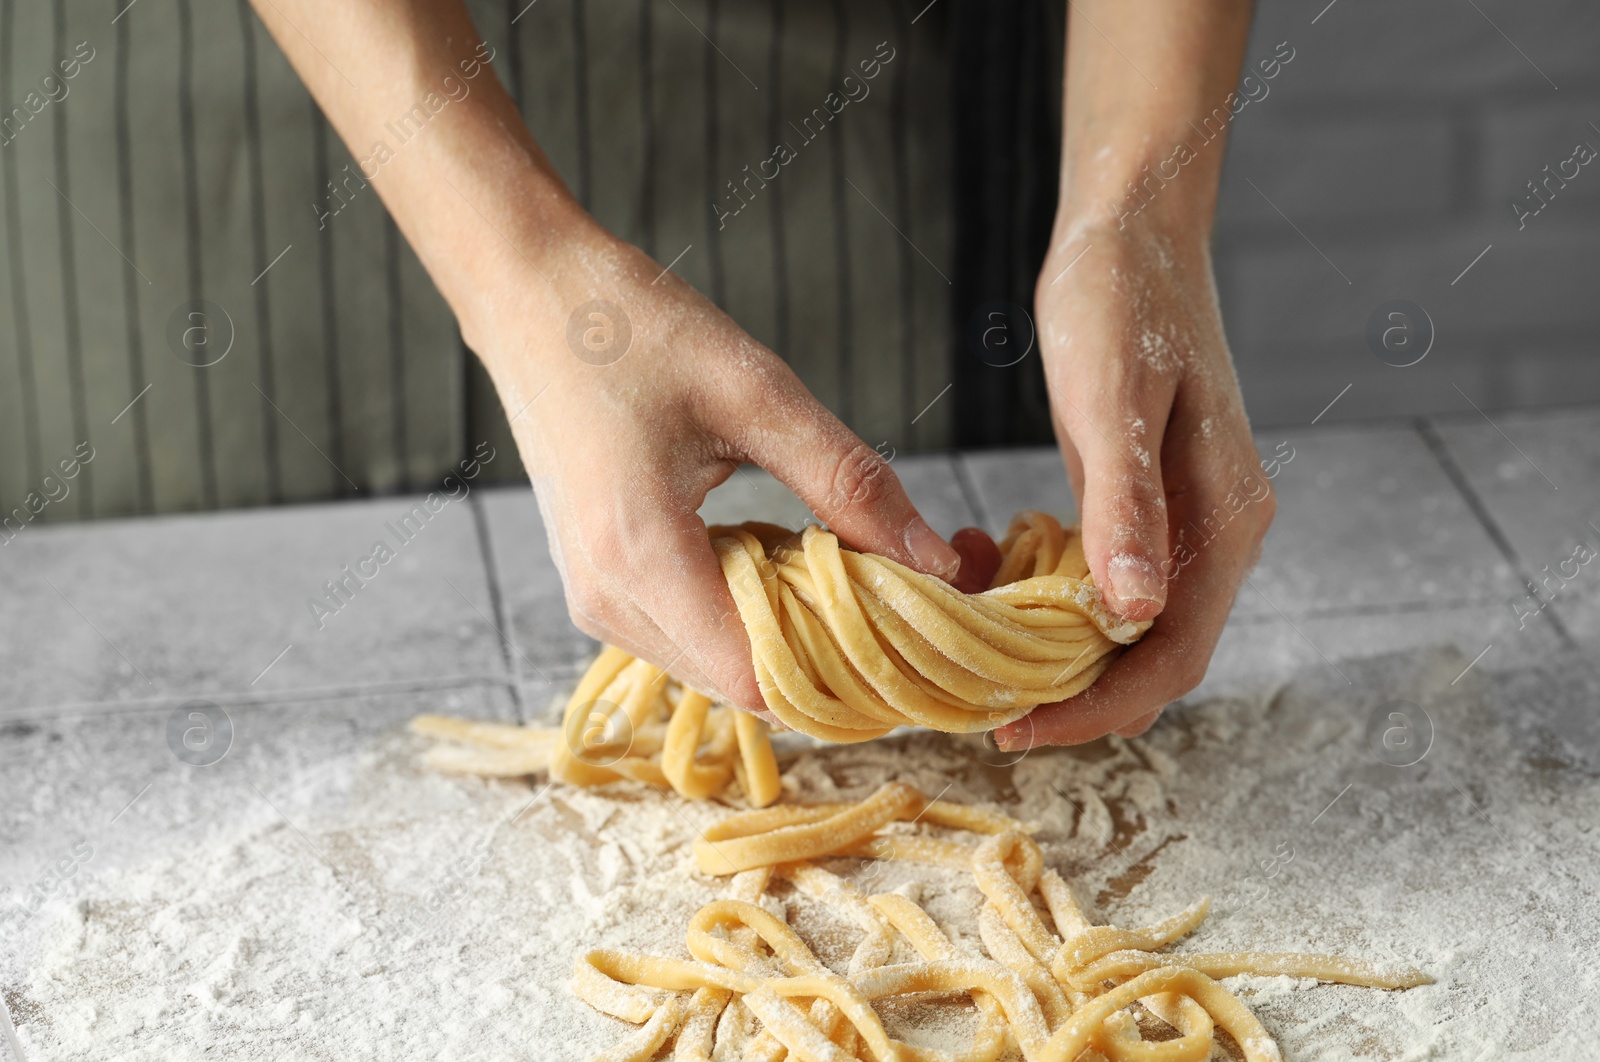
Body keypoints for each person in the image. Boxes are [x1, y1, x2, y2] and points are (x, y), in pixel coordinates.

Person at [252, 0, 1273, 750]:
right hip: (317, 123)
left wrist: (1136, 206)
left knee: (927, 551)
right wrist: (513, 269)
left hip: (860, 98)